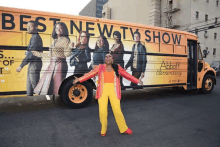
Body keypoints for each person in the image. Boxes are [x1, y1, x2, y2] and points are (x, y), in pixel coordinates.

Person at [73, 54, 143, 136]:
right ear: (104, 59)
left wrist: (137, 81)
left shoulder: (117, 67)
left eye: (110, 56)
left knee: (117, 110)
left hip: (114, 90)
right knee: (102, 111)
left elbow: (127, 75)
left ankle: (124, 128)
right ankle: (103, 129)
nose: (108, 58)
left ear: (112, 59)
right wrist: (79, 79)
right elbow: (90, 74)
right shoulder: (100, 67)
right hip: (102, 90)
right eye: (106, 57)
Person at [32, 22, 71, 95]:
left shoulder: (65, 40)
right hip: (52, 64)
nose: (58, 30)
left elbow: (66, 54)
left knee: (57, 85)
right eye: (56, 28)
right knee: (48, 84)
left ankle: (61, 101)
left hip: (60, 64)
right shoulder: (56, 40)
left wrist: (70, 47)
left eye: (60, 28)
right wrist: (37, 53)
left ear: (64, 30)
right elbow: (50, 55)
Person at [16, 20, 43, 96]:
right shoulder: (33, 37)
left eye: (30, 26)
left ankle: (45, 101)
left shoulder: (36, 38)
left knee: (35, 84)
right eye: (27, 26)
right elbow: (29, 51)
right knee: (29, 85)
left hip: (35, 62)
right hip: (32, 62)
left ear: (36, 27)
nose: (28, 28)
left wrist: (21, 65)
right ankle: (29, 99)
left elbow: (31, 54)